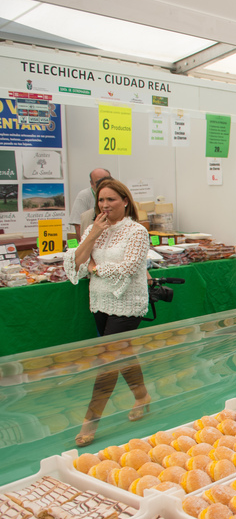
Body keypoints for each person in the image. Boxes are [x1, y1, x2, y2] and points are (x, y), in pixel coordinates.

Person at [62, 178, 152, 447]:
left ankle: (90, 421)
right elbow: (76, 263)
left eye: (111, 199)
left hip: (128, 303)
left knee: (107, 360)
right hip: (100, 301)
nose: (105, 205)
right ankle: (142, 396)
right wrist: (91, 236)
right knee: (121, 353)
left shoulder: (136, 231)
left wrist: (95, 268)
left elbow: (128, 267)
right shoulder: (94, 228)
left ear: (125, 201)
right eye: (101, 200)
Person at [69, 168, 111, 241]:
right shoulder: (84, 195)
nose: (103, 184)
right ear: (91, 183)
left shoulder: (116, 193)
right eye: (98, 182)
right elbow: (78, 225)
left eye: (106, 181)